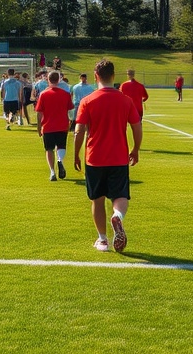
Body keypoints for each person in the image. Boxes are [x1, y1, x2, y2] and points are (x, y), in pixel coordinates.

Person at [73, 59, 142, 253]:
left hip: (94, 157)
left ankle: (102, 240)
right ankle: (118, 216)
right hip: (119, 156)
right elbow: (137, 127)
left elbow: (79, 131)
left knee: (97, 199)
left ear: (96, 76)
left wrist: (76, 154)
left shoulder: (88, 101)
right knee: (120, 195)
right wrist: (136, 149)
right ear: (113, 76)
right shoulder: (125, 100)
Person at [35, 71, 73, 181]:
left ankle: (52, 171)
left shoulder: (44, 94)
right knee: (61, 147)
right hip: (62, 125)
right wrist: (70, 121)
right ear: (59, 80)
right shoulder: (65, 94)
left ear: (48, 80)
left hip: (48, 126)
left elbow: (39, 113)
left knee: (49, 149)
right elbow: (70, 110)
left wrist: (39, 127)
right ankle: (60, 160)